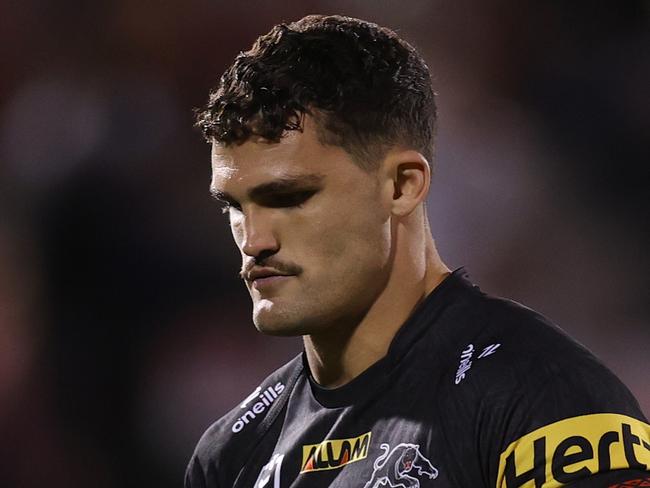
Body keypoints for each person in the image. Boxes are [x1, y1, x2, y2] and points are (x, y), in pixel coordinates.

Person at [185, 14, 649, 488]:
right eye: (234, 206)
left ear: (403, 185)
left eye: (290, 197)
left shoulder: (542, 397)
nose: (254, 239)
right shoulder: (230, 456)